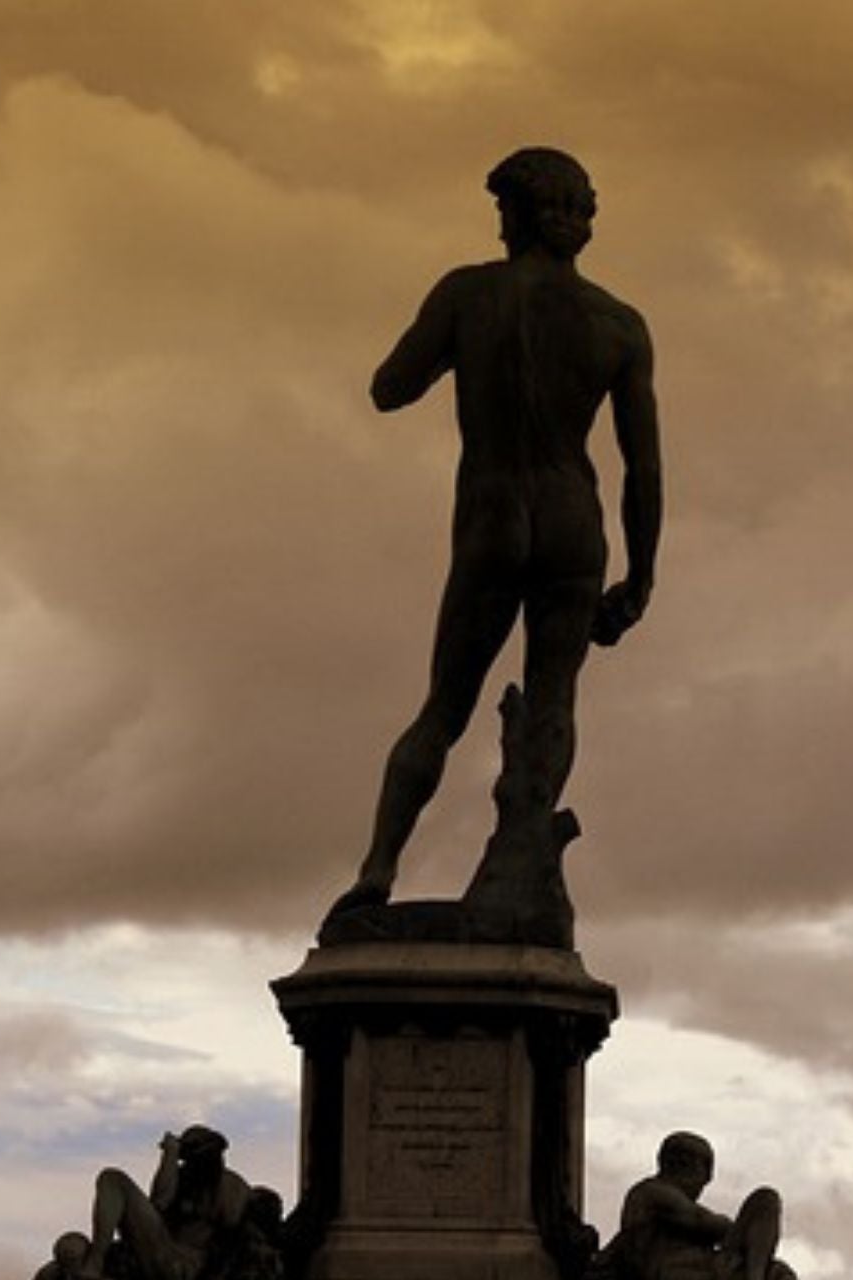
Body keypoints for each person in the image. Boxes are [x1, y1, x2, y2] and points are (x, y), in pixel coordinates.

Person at [329, 146, 663, 917]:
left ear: (513, 215)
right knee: (554, 699)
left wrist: (457, 345)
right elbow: (641, 469)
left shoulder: (469, 293)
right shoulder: (619, 325)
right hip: (575, 521)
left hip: (494, 514)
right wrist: (642, 577)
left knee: (445, 707)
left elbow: (389, 389)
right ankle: (521, 852)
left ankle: (378, 868)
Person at [76, 1125, 268, 1280]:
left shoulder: (231, 1186)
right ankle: (95, 1261)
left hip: (189, 1265)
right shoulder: (181, 1177)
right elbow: (159, 1202)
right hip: (163, 1248)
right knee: (111, 1178)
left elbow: (234, 1233)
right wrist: (169, 1157)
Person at [602, 1132, 793, 1280]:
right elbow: (703, 1222)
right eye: (705, 1171)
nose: (706, 1182)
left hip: (699, 1268)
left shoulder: (650, 1193)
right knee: (765, 1201)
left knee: (777, 1272)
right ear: (686, 1164)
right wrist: (744, 1231)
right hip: (681, 1273)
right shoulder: (653, 1191)